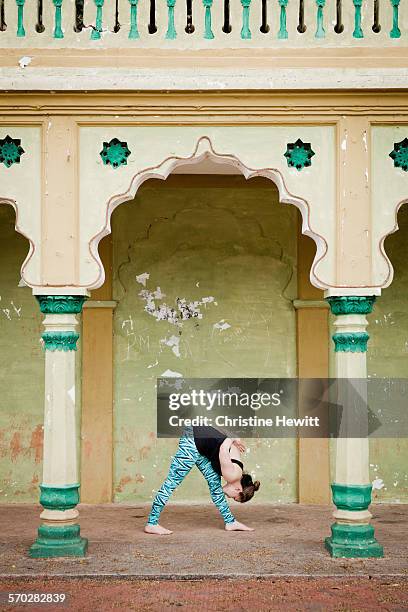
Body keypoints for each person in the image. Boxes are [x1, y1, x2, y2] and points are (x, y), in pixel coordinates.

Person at [144, 425, 260, 535]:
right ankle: (151, 523)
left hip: (201, 448)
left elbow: (223, 436)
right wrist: (232, 438)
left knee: (215, 487)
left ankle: (230, 522)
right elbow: (223, 449)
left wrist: (233, 437)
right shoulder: (232, 475)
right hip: (193, 440)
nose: (229, 497)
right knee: (171, 483)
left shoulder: (238, 470)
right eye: (234, 497)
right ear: (238, 488)